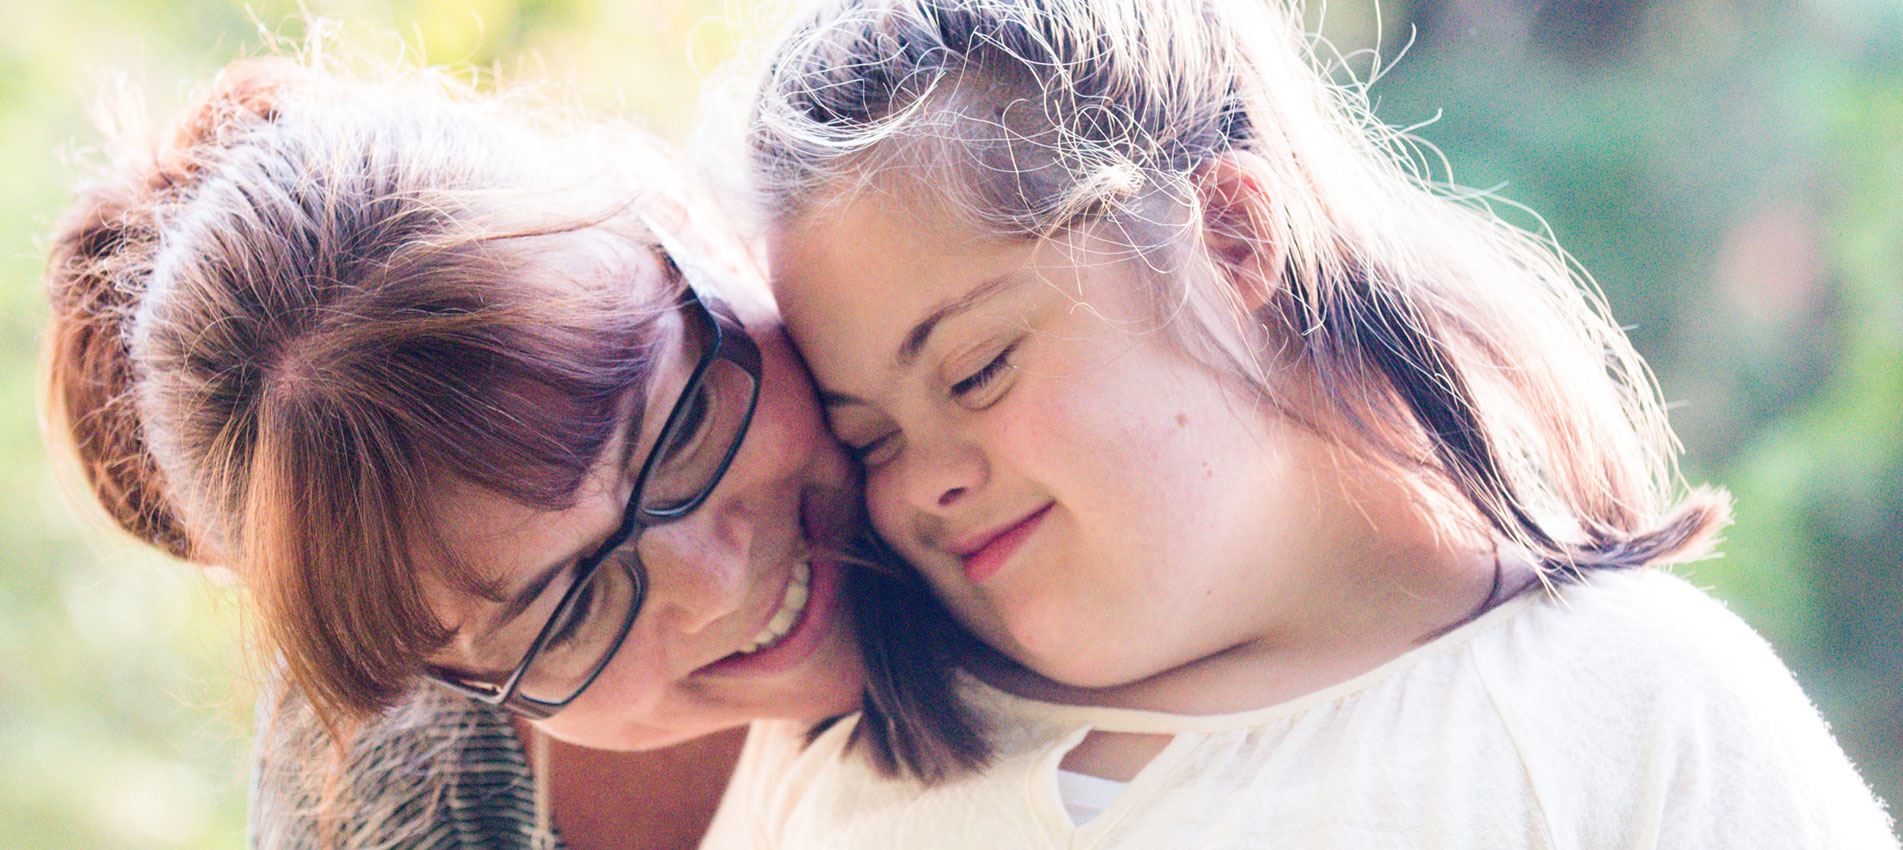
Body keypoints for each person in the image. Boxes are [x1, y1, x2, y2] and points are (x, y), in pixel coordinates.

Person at [703, 0, 1902, 846]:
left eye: (975, 372)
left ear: (1231, 239)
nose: (923, 486)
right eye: (868, 439)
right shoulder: (845, 763)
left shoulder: (1633, 709)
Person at [40, 49, 892, 850]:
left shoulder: (945, 250)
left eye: (683, 430)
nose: (714, 581)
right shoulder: (404, 813)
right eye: (573, 609)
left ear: (676, 224)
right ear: (440, 677)